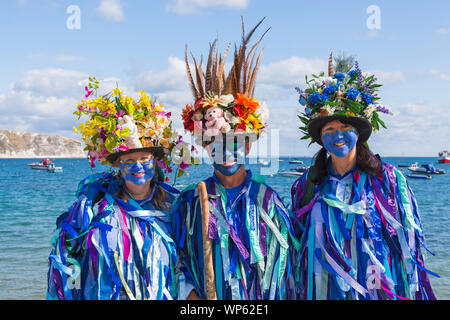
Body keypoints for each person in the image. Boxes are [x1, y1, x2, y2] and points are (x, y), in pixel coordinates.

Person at [291, 52, 438, 300]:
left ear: (358, 134)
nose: (338, 136)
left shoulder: (389, 180)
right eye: (330, 129)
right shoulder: (306, 185)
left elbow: (409, 250)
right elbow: (296, 242)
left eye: (346, 129)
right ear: (321, 138)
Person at [171, 18, 299, 300]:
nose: (226, 151)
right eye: (217, 143)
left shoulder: (268, 202)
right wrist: (189, 293)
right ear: (205, 147)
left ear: (249, 147)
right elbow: (174, 258)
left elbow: (286, 269)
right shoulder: (189, 202)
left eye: (235, 143)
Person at [46, 80, 194, 300]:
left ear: (156, 161)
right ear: (117, 164)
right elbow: (67, 256)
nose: (138, 166)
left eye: (145, 158)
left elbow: (186, 262)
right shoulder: (93, 206)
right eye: (129, 159)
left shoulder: (174, 207)